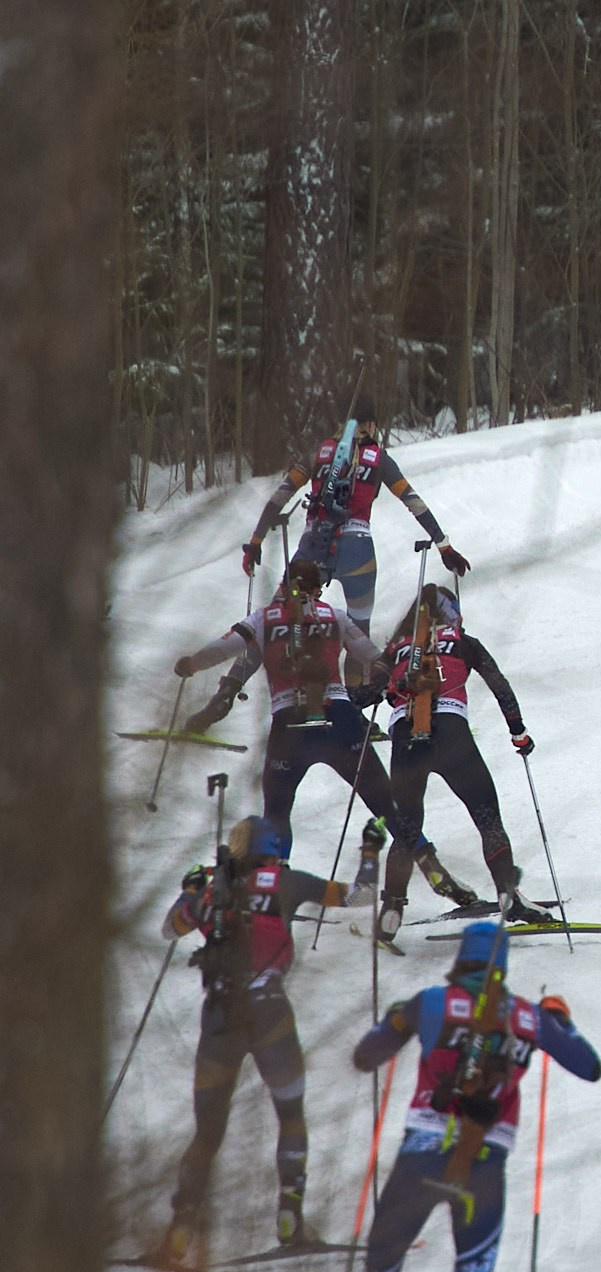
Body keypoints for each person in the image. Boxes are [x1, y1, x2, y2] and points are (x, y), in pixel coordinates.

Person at [308, 922, 601, 1272]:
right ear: (502, 966)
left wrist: (400, 1019)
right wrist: (559, 1021)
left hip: (419, 1158)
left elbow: (366, 1056)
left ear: (460, 960)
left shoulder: (431, 1002)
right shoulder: (528, 1018)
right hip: (483, 1172)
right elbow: (590, 1067)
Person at [145, 815, 380, 1265]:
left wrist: (191, 890)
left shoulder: (215, 892)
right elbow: (361, 895)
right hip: (270, 1010)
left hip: (219, 1017)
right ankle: (290, 1214)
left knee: (207, 1131)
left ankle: (181, 1227)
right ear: (274, 851)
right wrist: (370, 851)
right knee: (290, 1113)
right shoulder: (286, 883)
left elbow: (170, 928)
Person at [176, 559, 477, 905]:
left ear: (285, 585)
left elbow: (224, 647)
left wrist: (191, 664)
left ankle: (277, 881)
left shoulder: (262, 618)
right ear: (319, 588)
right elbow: (374, 658)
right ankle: (430, 864)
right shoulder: (335, 616)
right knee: (385, 804)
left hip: (290, 722)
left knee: (277, 808)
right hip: (341, 719)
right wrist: (386, 680)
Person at [374, 584, 549, 940]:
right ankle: (507, 893)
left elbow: (363, 694)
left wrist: (391, 686)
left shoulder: (395, 649)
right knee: (486, 814)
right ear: (451, 613)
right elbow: (499, 684)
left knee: (407, 827)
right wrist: (518, 732)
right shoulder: (464, 642)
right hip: (453, 734)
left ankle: (391, 908)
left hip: (406, 740)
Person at [239, 395, 470, 633]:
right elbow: (413, 502)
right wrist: (444, 546)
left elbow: (279, 497)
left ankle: (241, 670)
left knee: (276, 621)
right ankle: (357, 670)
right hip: (358, 552)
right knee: (359, 636)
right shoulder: (379, 459)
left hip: (313, 546)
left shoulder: (318, 452)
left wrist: (255, 542)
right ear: (371, 424)